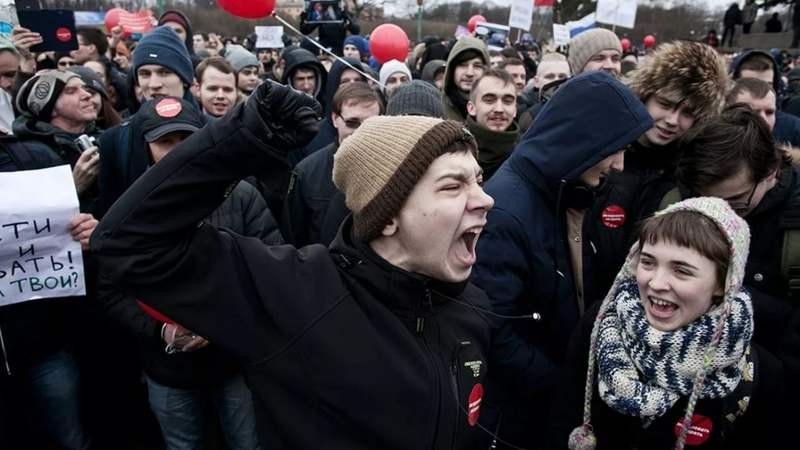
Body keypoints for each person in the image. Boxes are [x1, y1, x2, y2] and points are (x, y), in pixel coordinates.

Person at [91, 79, 500, 450]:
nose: (485, 199)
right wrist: (239, 142)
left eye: (478, 179)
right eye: (453, 185)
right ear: (388, 215)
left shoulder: (473, 306)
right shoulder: (296, 295)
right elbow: (128, 244)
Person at [470, 71, 654, 450]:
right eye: (613, 149)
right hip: (517, 418)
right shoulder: (507, 213)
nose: (619, 165)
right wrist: (565, 383)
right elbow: (494, 332)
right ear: (582, 140)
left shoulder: (565, 191)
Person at [96, 96, 271, 450]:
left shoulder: (241, 196)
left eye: (185, 140)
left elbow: (269, 267)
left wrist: (222, 322)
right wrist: (162, 331)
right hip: (167, 370)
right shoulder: (128, 211)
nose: (176, 152)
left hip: (233, 361)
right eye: (164, 142)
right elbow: (110, 291)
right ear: (146, 148)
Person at [546, 197, 785, 449]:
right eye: (648, 262)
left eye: (681, 271)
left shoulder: (759, 374)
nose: (656, 283)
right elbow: (560, 422)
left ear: (723, 283)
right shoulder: (601, 324)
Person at [464, 69, 520, 182]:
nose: (499, 109)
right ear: (471, 108)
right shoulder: (452, 150)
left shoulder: (524, 155)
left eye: (507, 101)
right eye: (489, 100)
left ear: (515, 110)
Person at [441, 37, 489, 121]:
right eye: (463, 65)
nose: (469, 73)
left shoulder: (496, 110)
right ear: (452, 69)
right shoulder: (438, 109)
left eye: (477, 66)